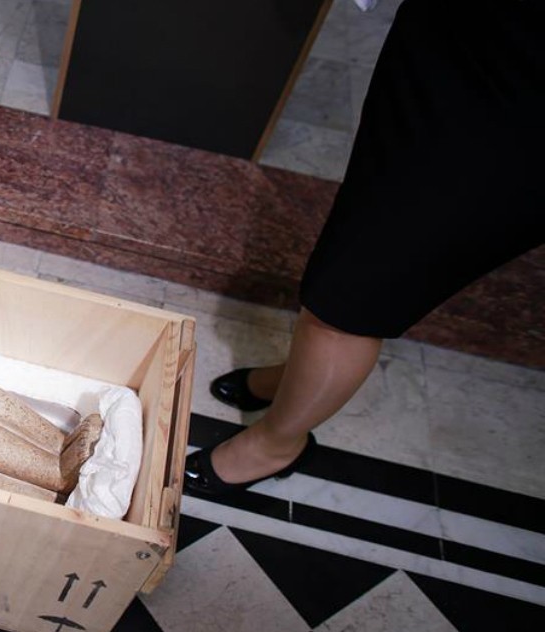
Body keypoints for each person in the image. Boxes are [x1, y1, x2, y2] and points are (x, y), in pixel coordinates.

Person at [185, 0, 544, 497]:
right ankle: (298, 382)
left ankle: (278, 443)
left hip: (521, 101)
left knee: (355, 294)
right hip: (456, 43)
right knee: (359, 232)